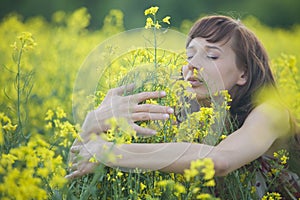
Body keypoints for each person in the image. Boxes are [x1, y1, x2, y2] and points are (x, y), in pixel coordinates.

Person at [67, 15, 300, 198]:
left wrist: (108, 152)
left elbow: (220, 160)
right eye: (189, 55)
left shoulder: (271, 113)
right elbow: (76, 167)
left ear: (244, 73)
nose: (192, 65)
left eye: (212, 56)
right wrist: (92, 124)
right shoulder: (187, 113)